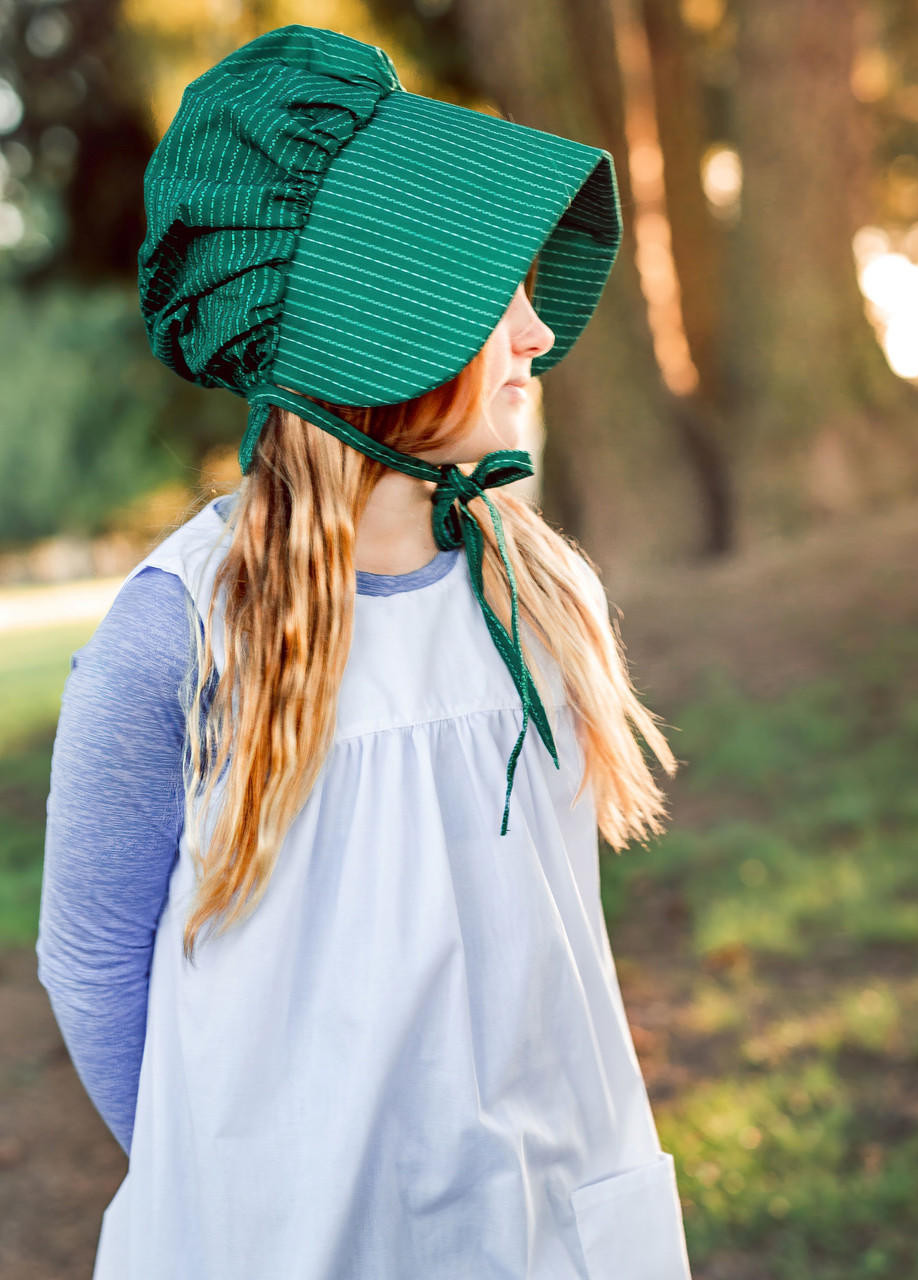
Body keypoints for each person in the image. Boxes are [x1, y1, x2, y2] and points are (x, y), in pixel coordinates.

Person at [37, 24, 692, 1280]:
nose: (535, 335)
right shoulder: (175, 637)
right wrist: (227, 1178)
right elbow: (91, 961)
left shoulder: (534, 592)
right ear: (373, 330)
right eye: (487, 294)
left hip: (548, 1223)